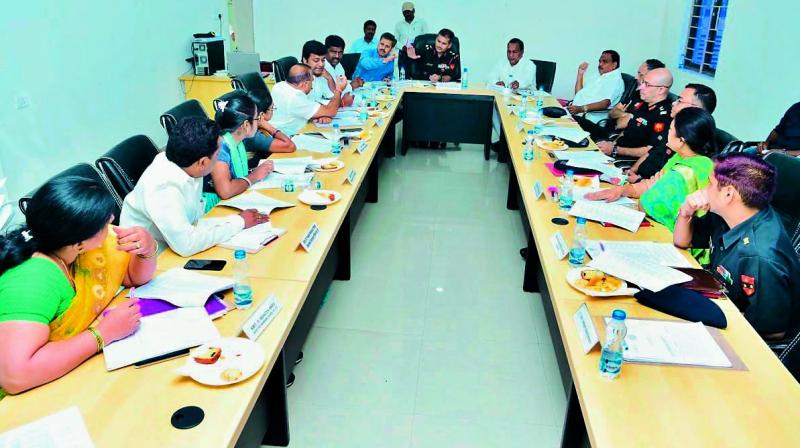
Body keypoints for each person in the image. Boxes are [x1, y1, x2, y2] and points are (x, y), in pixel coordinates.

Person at [0, 176, 157, 396]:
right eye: (104, 223)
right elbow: (15, 376)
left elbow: (133, 277)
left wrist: (147, 249)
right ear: (78, 243)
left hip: (74, 374)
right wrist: (102, 334)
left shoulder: (80, 246)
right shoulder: (32, 278)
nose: (111, 220)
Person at [674, 153, 800, 340]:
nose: (704, 188)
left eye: (709, 183)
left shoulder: (759, 257)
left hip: (746, 340)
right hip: (719, 300)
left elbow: (771, 331)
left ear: (728, 194)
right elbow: (682, 242)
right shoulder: (731, 215)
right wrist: (686, 212)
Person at [120, 116, 269, 257]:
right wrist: (240, 222)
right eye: (218, 155)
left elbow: (194, 225)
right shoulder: (163, 187)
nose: (219, 159)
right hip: (156, 261)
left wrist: (236, 220)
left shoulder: (187, 165)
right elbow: (187, 244)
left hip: (174, 246)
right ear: (203, 162)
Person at [585, 107, 717, 231]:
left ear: (681, 141)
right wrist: (622, 190)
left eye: (670, 130)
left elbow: (647, 204)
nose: (667, 133)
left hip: (672, 237)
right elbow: (652, 184)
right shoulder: (683, 155)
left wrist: (649, 192)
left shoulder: (686, 171)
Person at [628, 83, 717, 181]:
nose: (674, 103)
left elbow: (668, 184)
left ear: (696, 109)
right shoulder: (673, 125)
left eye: (680, 100)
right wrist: (632, 171)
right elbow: (652, 151)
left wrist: (639, 181)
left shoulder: (693, 143)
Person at [596, 67, 674, 161]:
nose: (640, 87)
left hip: (625, 160)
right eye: (642, 82)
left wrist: (614, 150)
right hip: (615, 150)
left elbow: (650, 150)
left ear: (661, 90)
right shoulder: (644, 104)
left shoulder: (664, 116)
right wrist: (612, 144)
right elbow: (627, 131)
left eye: (647, 84)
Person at [209, 92, 275, 201]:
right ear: (246, 125)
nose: (259, 122)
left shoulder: (237, 141)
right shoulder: (220, 148)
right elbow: (225, 191)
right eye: (256, 118)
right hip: (213, 207)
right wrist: (254, 176)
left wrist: (254, 172)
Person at [269, 64, 347, 135]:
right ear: (305, 84)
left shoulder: (279, 85)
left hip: (278, 132)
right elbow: (331, 111)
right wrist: (338, 90)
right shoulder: (295, 97)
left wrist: (319, 114)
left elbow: (303, 108)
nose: (312, 86)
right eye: (312, 82)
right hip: (288, 137)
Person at [489, 38, 537, 149]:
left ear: (521, 53)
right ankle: (504, 139)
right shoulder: (502, 63)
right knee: (491, 107)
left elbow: (527, 80)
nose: (511, 55)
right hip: (505, 99)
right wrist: (496, 82)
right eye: (509, 52)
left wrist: (518, 84)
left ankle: (516, 142)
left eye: (514, 52)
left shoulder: (530, 65)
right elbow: (490, 76)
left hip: (525, 101)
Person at [566, 50, 624, 123]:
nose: (600, 64)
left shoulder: (615, 80)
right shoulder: (599, 76)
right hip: (578, 113)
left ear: (614, 65)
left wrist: (581, 108)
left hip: (590, 119)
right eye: (600, 61)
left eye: (604, 62)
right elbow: (579, 94)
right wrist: (580, 74)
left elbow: (605, 103)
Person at [606, 58, 665, 130]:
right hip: (608, 129)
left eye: (641, 75)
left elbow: (620, 124)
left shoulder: (652, 104)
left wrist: (623, 115)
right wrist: (627, 115)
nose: (636, 77)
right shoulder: (638, 92)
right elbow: (612, 112)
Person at [304, 40, 354, 107]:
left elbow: (332, 96)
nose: (321, 64)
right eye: (316, 60)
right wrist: (341, 103)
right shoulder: (299, 79)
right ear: (305, 60)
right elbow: (308, 106)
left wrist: (329, 78)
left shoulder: (319, 74)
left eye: (323, 60)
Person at [248, 89, 296, 154]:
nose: (273, 110)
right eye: (272, 108)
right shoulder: (253, 135)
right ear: (261, 115)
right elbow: (290, 146)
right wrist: (269, 127)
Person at [395, 1, 427, 74]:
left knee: (419, 75)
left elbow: (426, 38)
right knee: (403, 75)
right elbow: (395, 41)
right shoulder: (399, 25)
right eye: (405, 12)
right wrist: (403, 47)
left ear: (413, 11)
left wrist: (418, 47)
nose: (407, 14)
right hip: (403, 54)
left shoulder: (421, 23)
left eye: (409, 11)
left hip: (418, 53)